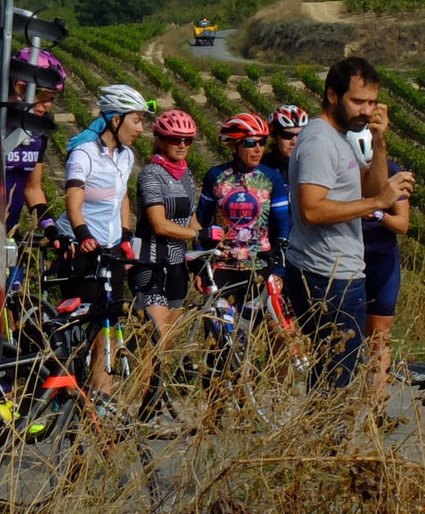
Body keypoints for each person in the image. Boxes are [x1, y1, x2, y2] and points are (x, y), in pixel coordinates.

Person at [284, 57, 415, 394]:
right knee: (336, 376)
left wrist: (380, 141)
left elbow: (369, 188)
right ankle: (327, 442)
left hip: (341, 272)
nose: (366, 110)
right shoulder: (319, 142)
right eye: (358, 101)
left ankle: (325, 440)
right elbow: (312, 209)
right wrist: (377, 204)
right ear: (332, 95)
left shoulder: (341, 138)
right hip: (327, 274)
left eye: (372, 102)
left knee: (338, 370)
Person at [53, 84, 153, 399]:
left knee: (108, 328)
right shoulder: (84, 153)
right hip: (81, 248)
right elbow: (74, 201)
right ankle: (64, 394)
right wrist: (83, 235)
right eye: (136, 120)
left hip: (110, 250)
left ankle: (103, 399)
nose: (141, 128)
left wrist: (125, 236)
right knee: (84, 330)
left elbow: (122, 197)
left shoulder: (125, 156)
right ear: (115, 120)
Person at [130, 108, 201, 423]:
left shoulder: (186, 174)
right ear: (159, 139)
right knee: (155, 340)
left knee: (167, 343)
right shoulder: (150, 175)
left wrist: (204, 248)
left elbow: (192, 217)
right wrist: (197, 234)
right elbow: (159, 224)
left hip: (176, 267)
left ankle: (153, 404)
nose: (182, 145)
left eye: (187, 140)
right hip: (150, 263)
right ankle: (144, 412)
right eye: (174, 139)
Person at [196, 112, 291, 320]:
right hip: (221, 267)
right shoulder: (216, 175)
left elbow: (282, 226)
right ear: (233, 146)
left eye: (262, 142)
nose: (258, 149)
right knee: (220, 338)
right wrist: (200, 266)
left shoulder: (271, 177)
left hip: (258, 269)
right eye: (250, 143)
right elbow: (201, 221)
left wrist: (279, 269)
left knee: (246, 338)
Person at [346, 125, 410, 400]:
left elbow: (403, 224)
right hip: (349, 260)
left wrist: (379, 215)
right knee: (346, 333)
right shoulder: (342, 173)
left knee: (379, 335)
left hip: (382, 262)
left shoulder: (393, 173)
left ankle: (376, 404)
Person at [3, 47, 66, 235]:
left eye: (52, 99)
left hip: (9, 231)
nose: (47, 105)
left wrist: (49, 226)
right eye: (42, 96)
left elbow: (33, 188)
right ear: (20, 87)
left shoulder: (38, 133)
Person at [262, 104, 309, 183]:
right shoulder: (262, 167)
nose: (294, 141)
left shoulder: (313, 164)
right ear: (275, 137)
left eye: (300, 135)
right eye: (287, 135)